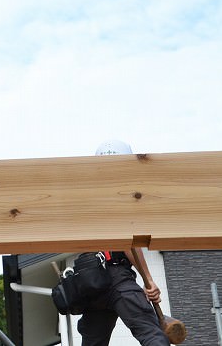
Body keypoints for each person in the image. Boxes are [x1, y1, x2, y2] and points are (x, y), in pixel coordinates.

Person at [76, 140, 170, 346]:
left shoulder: (86, 199)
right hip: (116, 275)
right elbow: (130, 243)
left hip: (90, 282)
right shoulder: (121, 196)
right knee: (152, 336)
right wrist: (149, 280)